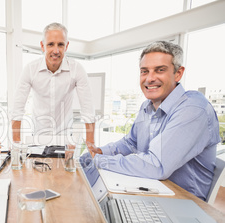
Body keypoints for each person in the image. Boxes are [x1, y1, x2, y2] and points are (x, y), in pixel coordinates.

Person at [80, 41, 220, 201]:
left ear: (178, 73)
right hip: (151, 189)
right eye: (144, 71)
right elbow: (130, 143)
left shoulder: (193, 108)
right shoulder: (147, 107)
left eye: (160, 70)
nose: (150, 78)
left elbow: (157, 165)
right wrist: (100, 151)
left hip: (183, 203)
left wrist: (99, 161)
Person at [11, 22, 95, 147]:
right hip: (38, 139)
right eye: (50, 44)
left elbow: (88, 111)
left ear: (66, 46)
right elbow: (17, 110)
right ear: (42, 46)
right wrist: (16, 144)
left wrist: (90, 145)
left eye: (60, 44)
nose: (55, 50)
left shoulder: (77, 69)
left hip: (66, 139)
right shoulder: (30, 69)